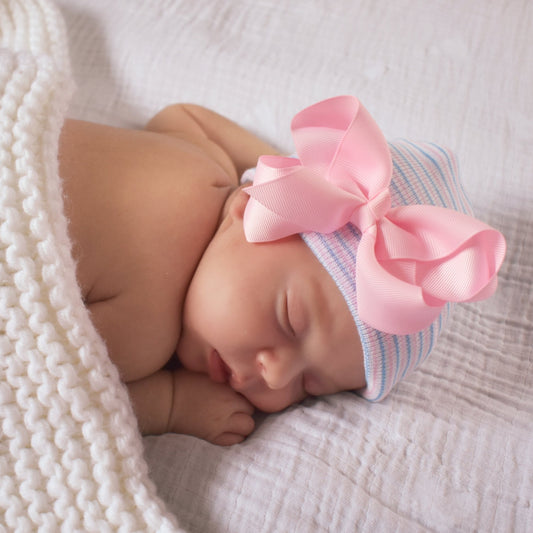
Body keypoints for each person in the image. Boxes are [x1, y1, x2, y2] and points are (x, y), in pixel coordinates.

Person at [58, 96, 505, 446]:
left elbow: (183, 114)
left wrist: (274, 174)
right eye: (289, 319)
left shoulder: (199, 160)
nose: (274, 377)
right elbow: (57, 392)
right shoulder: (145, 331)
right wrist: (170, 405)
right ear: (251, 210)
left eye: (308, 386)